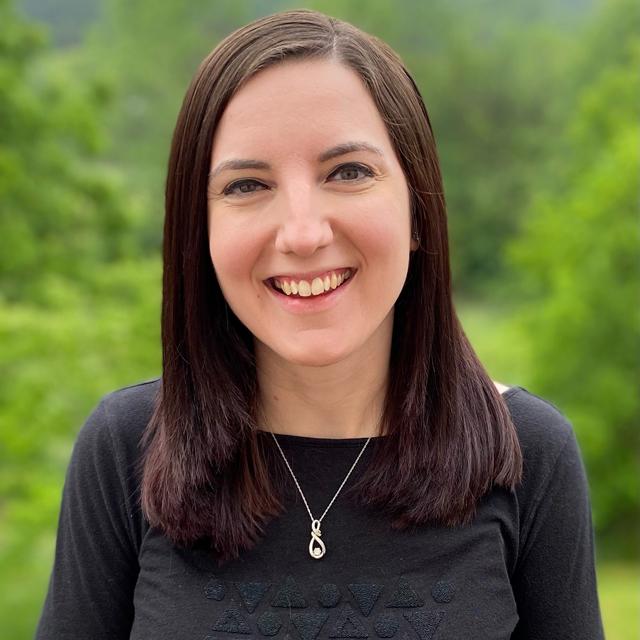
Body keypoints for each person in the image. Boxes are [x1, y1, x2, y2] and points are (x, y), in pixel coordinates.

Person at [35, 9, 604, 640]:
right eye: (248, 185)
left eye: (348, 173)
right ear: (200, 230)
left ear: (418, 209)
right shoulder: (124, 449)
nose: (303, 234)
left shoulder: (530, 454)